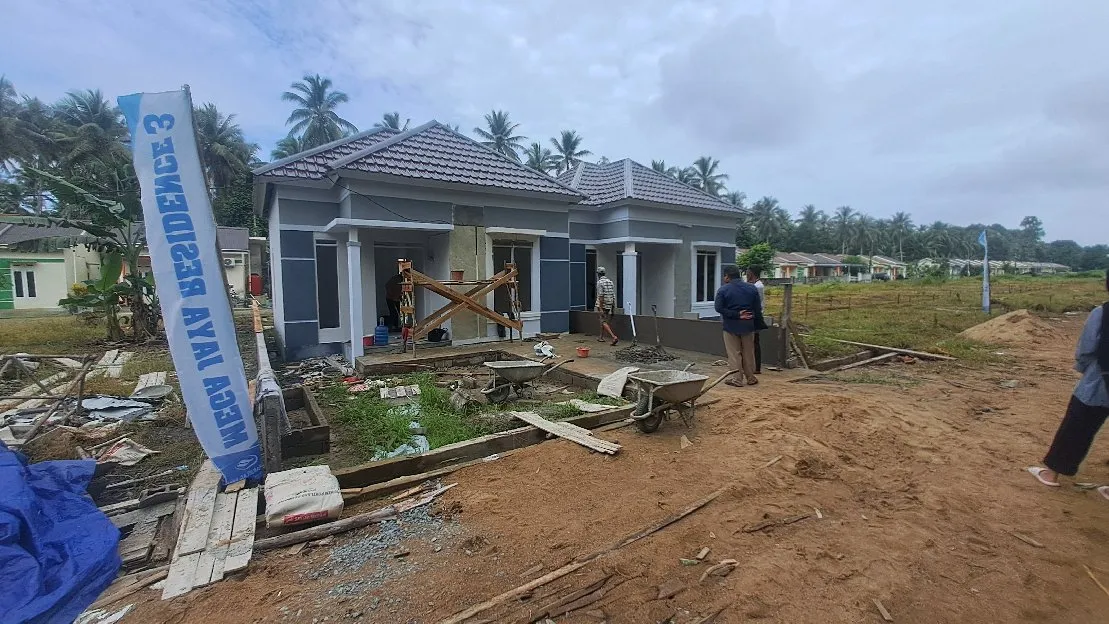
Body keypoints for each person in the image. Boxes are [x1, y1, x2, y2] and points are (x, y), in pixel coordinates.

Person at [1027, 269, 1109, 502]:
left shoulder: (1102, 313)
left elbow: (1086, 349)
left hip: (1099, 382)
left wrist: (1085, 370)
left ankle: (1051, 474)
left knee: (1076, 427)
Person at [715, 265, 760, 387]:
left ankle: (737, 379)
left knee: (734, 354)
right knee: (748, 352)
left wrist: (736, 314)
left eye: (724, 276)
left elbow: (718, 308)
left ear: (727, 276)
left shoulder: (723, 290)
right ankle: (751, 378)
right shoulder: (752, 289)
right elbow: (757, 308)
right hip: (748, 325)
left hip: (731, 326)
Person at [746, 267, 766, 374]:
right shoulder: (755, 285)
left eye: (748, 273)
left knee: (755, 342)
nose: (746, 275)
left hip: (756, 316)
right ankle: (753, 366)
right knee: (752, 342)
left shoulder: (758, 286)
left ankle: (756, 367)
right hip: (754, 315)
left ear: (752, 274)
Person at [595, 267, 619, 346]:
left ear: (598, 274)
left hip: (603, 304)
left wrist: (601, 308)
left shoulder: (600, 282)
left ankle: (613, 336)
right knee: (603, 320)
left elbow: (601, 296)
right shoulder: (610, 282)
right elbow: (613, 295)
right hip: (609, 303)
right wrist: (613, 307)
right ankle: (601, 337)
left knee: (603, 321)